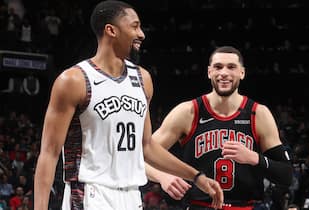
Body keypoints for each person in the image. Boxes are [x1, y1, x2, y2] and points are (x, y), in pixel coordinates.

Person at [33, 1, 223, 210]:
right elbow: (49, 154)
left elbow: (147, 146)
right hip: (90, 193)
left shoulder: (143, 79)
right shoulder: (74, 80)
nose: (141, 33)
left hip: (131, 195)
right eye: (134, 26)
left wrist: (196, 176)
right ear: (111, 30)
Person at [146, 46, 293, 209]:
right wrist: (162, 176)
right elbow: (140, 156)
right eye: (218, 67)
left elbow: (286, 175)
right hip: (199, 205)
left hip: (245, 206)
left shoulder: (258, 114)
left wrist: (254, 158)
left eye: (231, 67)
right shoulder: (188, 112)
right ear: (209, 72)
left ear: (242, 73)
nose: (224, 73)